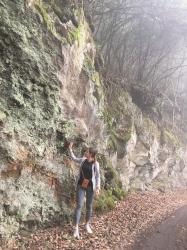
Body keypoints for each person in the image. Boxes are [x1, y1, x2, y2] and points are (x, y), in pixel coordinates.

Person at [68, 142, 100, 239]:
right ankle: (76, 228)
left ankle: (87, 224)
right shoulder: (83, 160)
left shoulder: (96, 164)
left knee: (89, 206)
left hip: (90, 187)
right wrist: (70, 149)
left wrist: (98, 187)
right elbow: (74, 158)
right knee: (79, 206)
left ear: (91, 154)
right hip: (80, 185)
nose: (85, 152)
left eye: (87, 151)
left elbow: (98, 177)